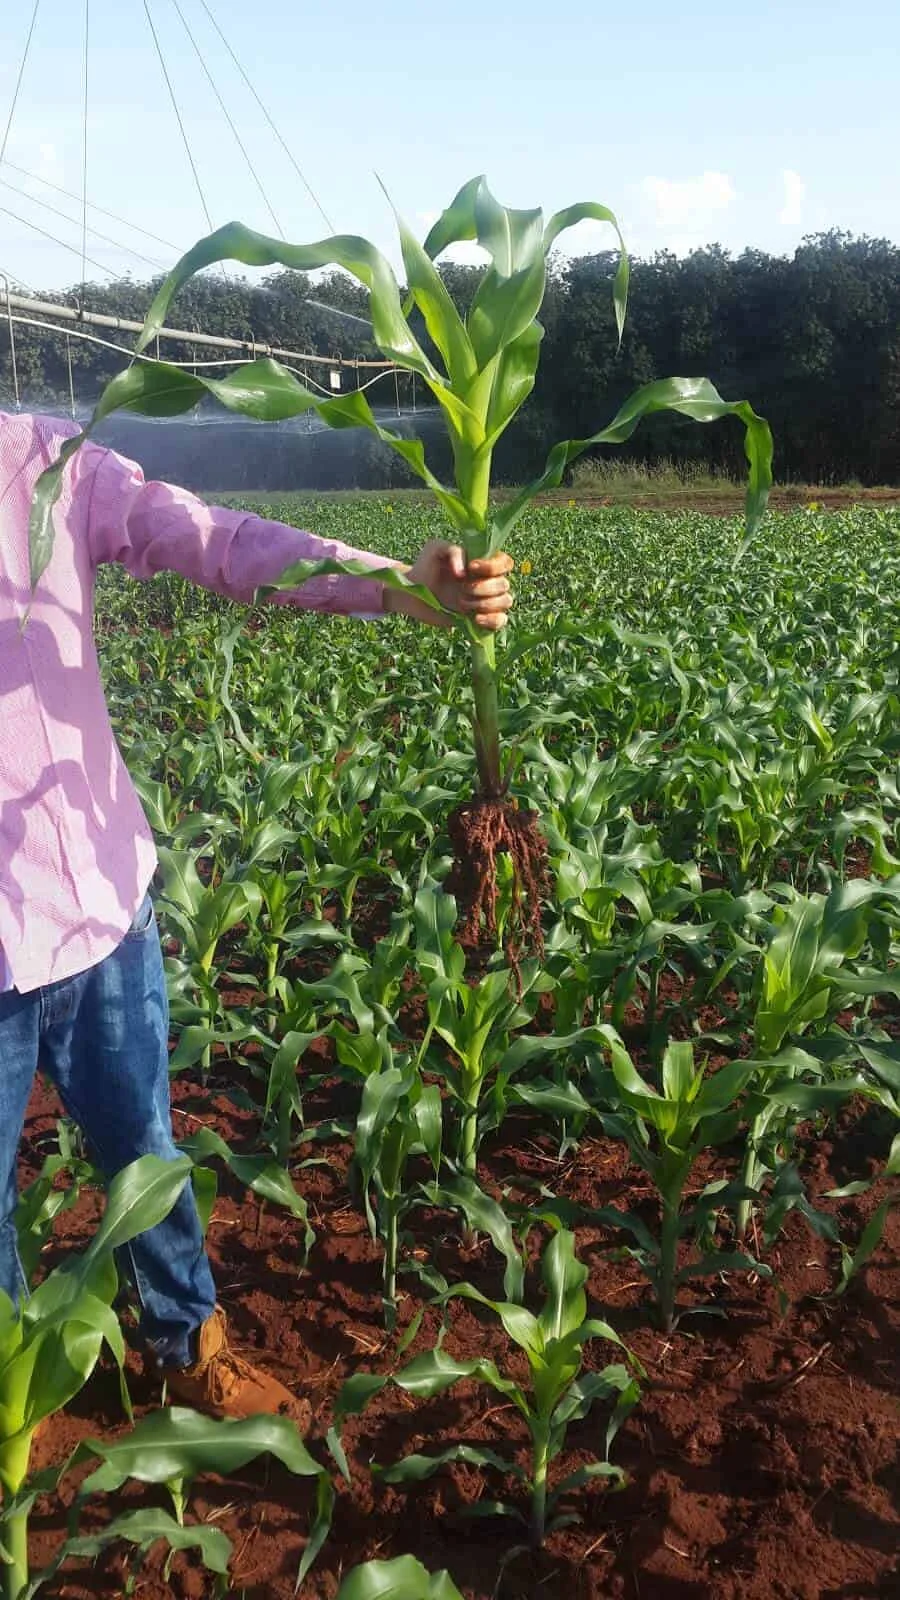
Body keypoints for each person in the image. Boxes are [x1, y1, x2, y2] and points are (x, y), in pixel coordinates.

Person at [0, 409, 513, 1424]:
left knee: (147, 1155)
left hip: (97, 903)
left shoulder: (44, 463)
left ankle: (188, 1345)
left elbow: (220, 540)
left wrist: (404, 586)